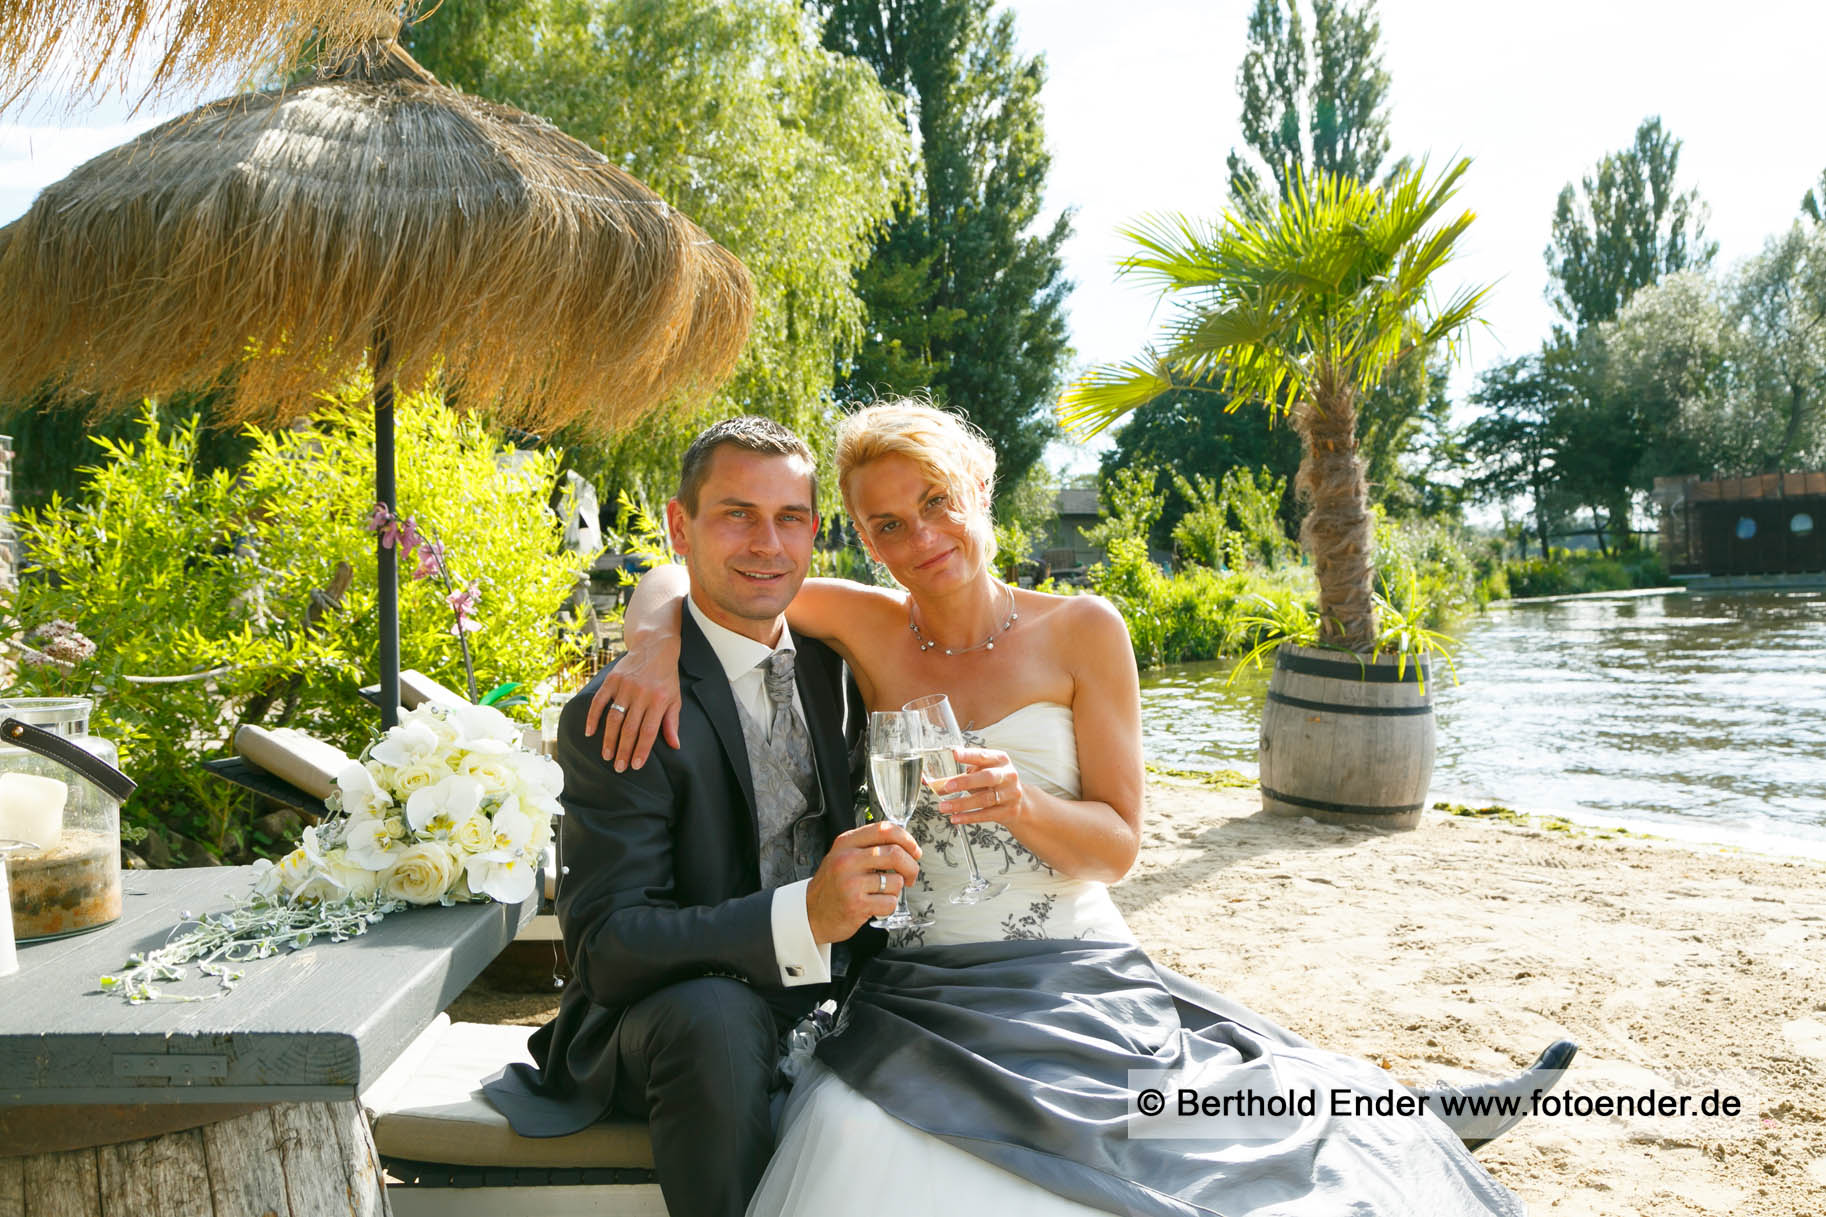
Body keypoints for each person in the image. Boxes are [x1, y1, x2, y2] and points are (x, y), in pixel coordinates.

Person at [595, 402, 1576, 1217]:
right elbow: (689, 567)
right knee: (875, 1129)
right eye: (886, 525)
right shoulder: (862, 623)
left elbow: (1116, 845)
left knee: (1192, 1126)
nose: (919, 538)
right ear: (860, 537)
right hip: (923, 985)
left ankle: (1403, 1112)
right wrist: (648, 642)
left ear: (978, 489)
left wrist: (1022, 804)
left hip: (1069, 960)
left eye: (935, 501)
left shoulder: (1081, 629)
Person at [482, 417, 923, 1217]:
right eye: (736, 514)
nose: (767, 542)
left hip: (822, 995)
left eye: (789, 517)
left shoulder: (832, 666)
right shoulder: (623, 708)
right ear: (681, 527)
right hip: (668, 1021)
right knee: (715, 1017)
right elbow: (608, 947)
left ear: (813, 531)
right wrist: (805, 915)